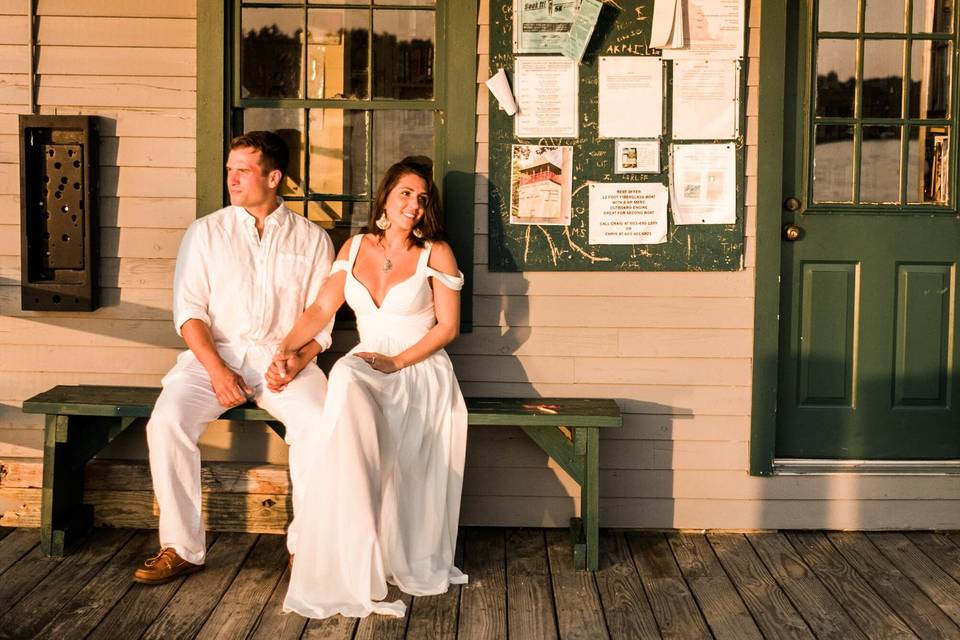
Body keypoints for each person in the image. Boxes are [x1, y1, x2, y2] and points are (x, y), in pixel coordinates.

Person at [133, 131, 336, 584]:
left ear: (274, 176)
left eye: (242, 170)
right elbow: (189, 314)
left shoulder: (312, 239)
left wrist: (296, 361)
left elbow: (319, 326)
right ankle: (181, 547)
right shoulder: (206, 232)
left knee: (321, 422)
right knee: (166, 422)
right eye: (230, 170)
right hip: (212, 358)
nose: (232, 179)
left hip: (281, 361)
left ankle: (307, 547)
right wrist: (217, 370)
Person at [276, 156, 468, 618]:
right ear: (385, 196)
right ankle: (350, 549)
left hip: (418, 366)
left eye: (422, 199)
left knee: (347, 381)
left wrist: (397, 361)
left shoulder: (434, 252)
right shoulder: (354, 247)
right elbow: (322, 310)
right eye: (406, 193)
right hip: (368, 362)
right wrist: (285, 350)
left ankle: (356, 545)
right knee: (346, 379)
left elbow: (447, 329)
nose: (414, 205)